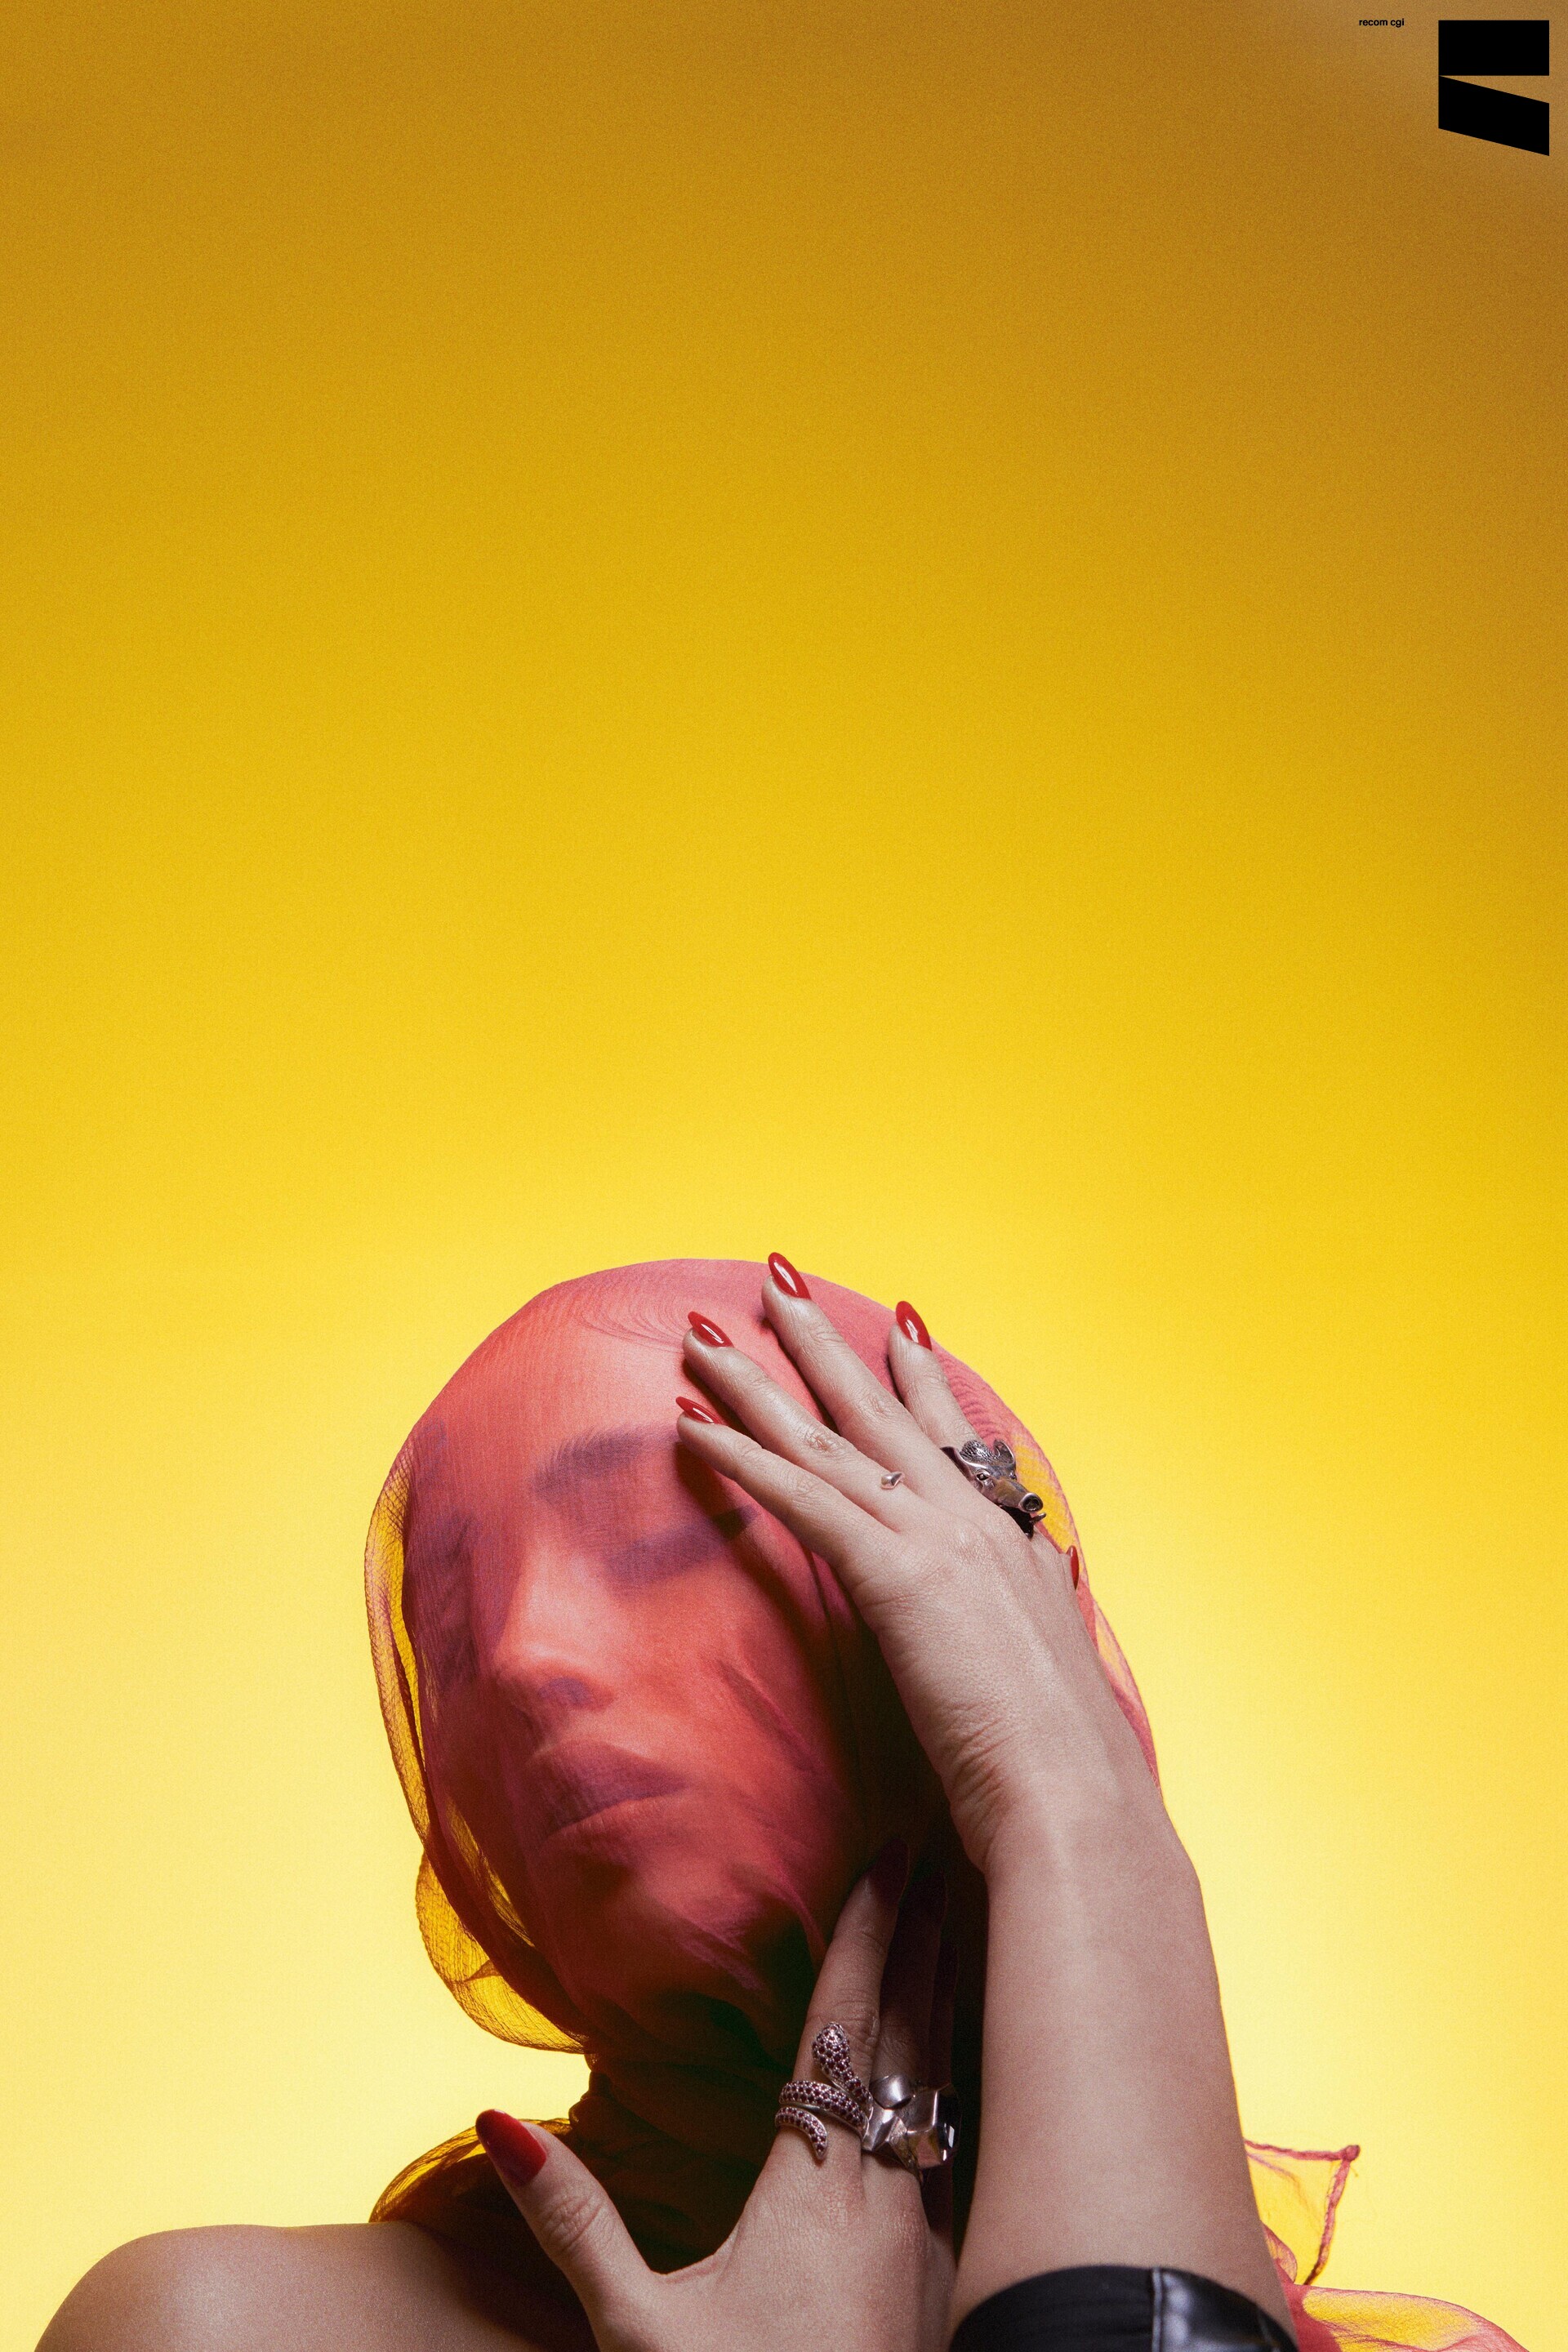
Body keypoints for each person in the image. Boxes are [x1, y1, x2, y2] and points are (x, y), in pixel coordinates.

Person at [41, 1259, 1522, 2352]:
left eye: (654, 1542)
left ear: (970, 1632)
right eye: (459, 1618)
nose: (524, 1659)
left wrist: (1077, 1805)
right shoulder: (217, 2333)